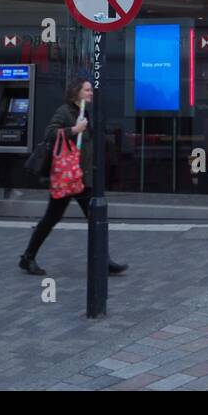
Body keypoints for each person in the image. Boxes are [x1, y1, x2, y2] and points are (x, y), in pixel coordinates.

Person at [19, 78, 128, 277]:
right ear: (77, 92)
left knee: (95, 218)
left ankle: (103, 260)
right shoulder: (65, 111)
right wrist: (73, 130)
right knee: (51, 218)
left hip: (81, 176)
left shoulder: (86, 111)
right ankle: (28, 257)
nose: (90, 93)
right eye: (87, 90)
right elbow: (50, 133)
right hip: (67, 175)